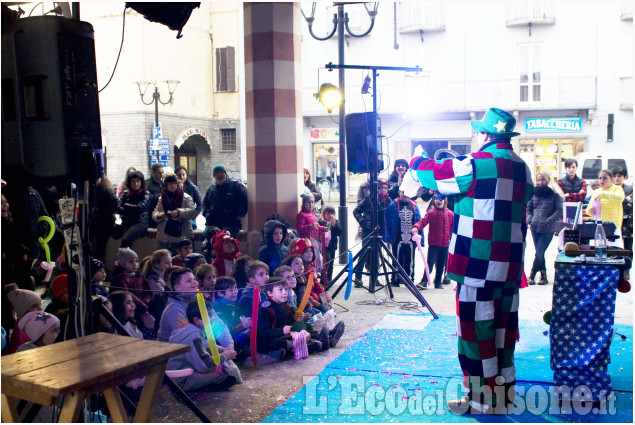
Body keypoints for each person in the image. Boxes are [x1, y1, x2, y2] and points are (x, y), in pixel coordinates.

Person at [405, 107, 533, 414]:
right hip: (510, 267)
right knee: (504, 332)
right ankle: (504, 394)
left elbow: (427, 174)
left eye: (479, 133)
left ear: (486, 135)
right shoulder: (523, 167)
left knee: (476, 335)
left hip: (477, 267)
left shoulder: (474, 166)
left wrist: (416, 157)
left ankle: (480, 401)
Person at [167, 300, 239, 391]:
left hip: (177, 376)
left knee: (222, 367)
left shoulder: (189, 328)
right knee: (224, 372)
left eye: (212, 314)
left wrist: (220, 349)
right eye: (209, 315)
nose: (213, 318)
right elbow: (205, 365)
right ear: (196, 320)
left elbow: (203, 343)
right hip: (182, 380)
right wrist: (226, 356)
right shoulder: (194, 335)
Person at [257, 277, 325, 361]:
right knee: (276, 342)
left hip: (285, 336)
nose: (285, 292)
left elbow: (292, 323)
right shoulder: (265, 309)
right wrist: (281, 331)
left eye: (285, 289)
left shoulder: (285, 305)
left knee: (303, 329)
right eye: (280, 290)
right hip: (271, 339)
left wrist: (301, 331)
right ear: (270, 293)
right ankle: (293, 348)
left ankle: (292, 348)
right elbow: (263, 332)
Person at [526, 171, 564, 285]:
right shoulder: (534, 193)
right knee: (539, 252)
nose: (540, 182)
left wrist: (548, 220)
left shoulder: (555, 194)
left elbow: (559, 211)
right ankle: (543, 276)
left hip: (548, 228)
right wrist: (530, 219)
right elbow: (528, 208)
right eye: (538, 180)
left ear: (548, 180)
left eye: (543, 179)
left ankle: (532, 274)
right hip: (535, 227)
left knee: (539, 252)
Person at [352, 179, 391, 287]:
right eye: (381, 188)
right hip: (368, 230)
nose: (383, 190)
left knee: (377, 255)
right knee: (364, 253)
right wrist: (363, 222)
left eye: (385, 188)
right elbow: (356, 211)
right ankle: (358, 278)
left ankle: (374, 279)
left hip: (381, 231)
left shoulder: (388, 201)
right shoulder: (369, 199)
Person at [411, 196, 454, 289]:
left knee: (441, 264)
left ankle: (438, 282)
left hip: (445, 244)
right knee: (429, 263)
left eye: (441, 199)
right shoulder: (431, 213)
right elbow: (422, 222)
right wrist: (416, 227)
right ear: (433, 201)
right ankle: (424, 281)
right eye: (436, 199)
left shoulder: (450, 214)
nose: (439, 201)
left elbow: (455, 227)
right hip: (434, 243)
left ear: (445, 201)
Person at [385, 190, 422, 286]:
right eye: (403, 192)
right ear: (399, 193)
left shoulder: (414, 205)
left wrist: (421, 240)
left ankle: (409, 279)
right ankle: (395, 279)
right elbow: (387, 221)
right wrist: (387, 237)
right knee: (396, 259)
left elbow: (418, 222)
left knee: (410, 259)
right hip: (397, 237)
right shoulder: (393, 205)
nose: (405, 194)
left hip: (411, 238)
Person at [152, 173, 197, 253]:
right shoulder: (162, 198)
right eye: (170, 184)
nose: (172, 185)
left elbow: (192, 211)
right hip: (163, 235)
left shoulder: (186, 197)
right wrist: (159, 215)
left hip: (181, 235)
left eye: (174, 183)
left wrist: (179, 212)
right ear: (166, 185)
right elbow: (155, 212)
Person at [203, 164, 248, 238]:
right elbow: (205, 203)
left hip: (230, 224)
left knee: (223, 239)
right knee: (207, 238)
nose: (220, 175)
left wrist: (240, 214)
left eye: (221, 172)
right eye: (217, 173)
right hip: (213, 224)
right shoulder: (211, 189)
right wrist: (206, 214)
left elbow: (244, 200)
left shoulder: (236, 186)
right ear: (214, 176)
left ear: (225, 173)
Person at [213, 276, 251, 361]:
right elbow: (223, 331)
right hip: (226, 341)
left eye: (236, 288)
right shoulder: (219, 307)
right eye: (230, 290)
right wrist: (242, 325)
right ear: (220, 294)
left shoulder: (234, 304)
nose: (235, 292)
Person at [157, 267, 199, 342]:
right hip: (172, 350)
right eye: (189, 281)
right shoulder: (174, 309)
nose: (195, 283)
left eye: (194, 279)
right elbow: (188, 337)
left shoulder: (199, 300)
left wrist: (225, 346)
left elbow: (218, 325)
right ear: (177, 288)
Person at [586, 169, 625, 247]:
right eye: (600, 178)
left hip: (613, 226)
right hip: (599, 225)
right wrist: (591, 211)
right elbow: (588, 210)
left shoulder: (617, 189)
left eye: (605, 178)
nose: (601, 180)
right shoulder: (596, 191)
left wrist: (603, 194)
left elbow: (620, 198)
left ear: (612, 179)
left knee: (614, 251)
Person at [4, 285, 42, 354]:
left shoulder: (33, 323)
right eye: (34, 306)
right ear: (23, 310)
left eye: (40, 304)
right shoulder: (20, 331)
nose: (40, 309)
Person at [118, 170, 150, 248]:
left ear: (141, 182)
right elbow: (118, 208)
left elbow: (141, 208)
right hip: (127, 222)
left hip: (140, 223)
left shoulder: (146, 194)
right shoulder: (126, 193)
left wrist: (126, 206)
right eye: (133, 181)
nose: (135, 184)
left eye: (138, 181)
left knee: (125, 240)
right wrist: (132, 208)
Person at [91, 175, 119, 259]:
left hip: (106, 222)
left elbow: (116, 203)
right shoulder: (96, 188)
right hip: (99, 221)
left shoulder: (107, 190)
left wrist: (103, 211)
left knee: (100, 245)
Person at [296, 193, 325, 272]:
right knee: (309, 259)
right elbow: (300, 228)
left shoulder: (313, 214)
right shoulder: (301, 215)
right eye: (308, 203)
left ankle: (315, 274)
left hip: (315, 240)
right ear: (304, 203)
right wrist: (310, 226)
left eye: (312, 202)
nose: (310, 205)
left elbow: (316, 227)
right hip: (307, 242)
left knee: (316, 258)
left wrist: (323, 228)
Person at [318, 205, 343, 283]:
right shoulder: (320, 222)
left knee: (331, 262)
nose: (330, 215)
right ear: (323, 214)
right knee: (327, 260)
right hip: (324, 245)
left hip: (332, 245)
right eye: (328, 213)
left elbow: (339, 232)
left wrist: (334, 225)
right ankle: (323, 278)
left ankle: (329, 278)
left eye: (332, 213)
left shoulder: (335, 221)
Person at [45, 274, 70, 342]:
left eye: (67, 292)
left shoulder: (80, 301)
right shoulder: (53, 307)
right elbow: (41, 318)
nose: (65, 296)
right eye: (61, 295)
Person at [612, 167, 632, 253]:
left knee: (628, 247)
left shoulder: (630, 189)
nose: (616, 178)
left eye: (619, 176)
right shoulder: (610, 189)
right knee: (614, 246)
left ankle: (628, 264)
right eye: (614, 176)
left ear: (625, 177)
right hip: (614, 220)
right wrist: (626, 200)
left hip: (627, 221)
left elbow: (631, 204)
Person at [146, 163, 165, 228]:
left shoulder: (164, 183)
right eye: (159, 173)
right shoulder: (147, 183)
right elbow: (147, 198)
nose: (161, 175)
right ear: (153, 172)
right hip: (151, 213)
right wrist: (160, 195)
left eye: (163, 172)